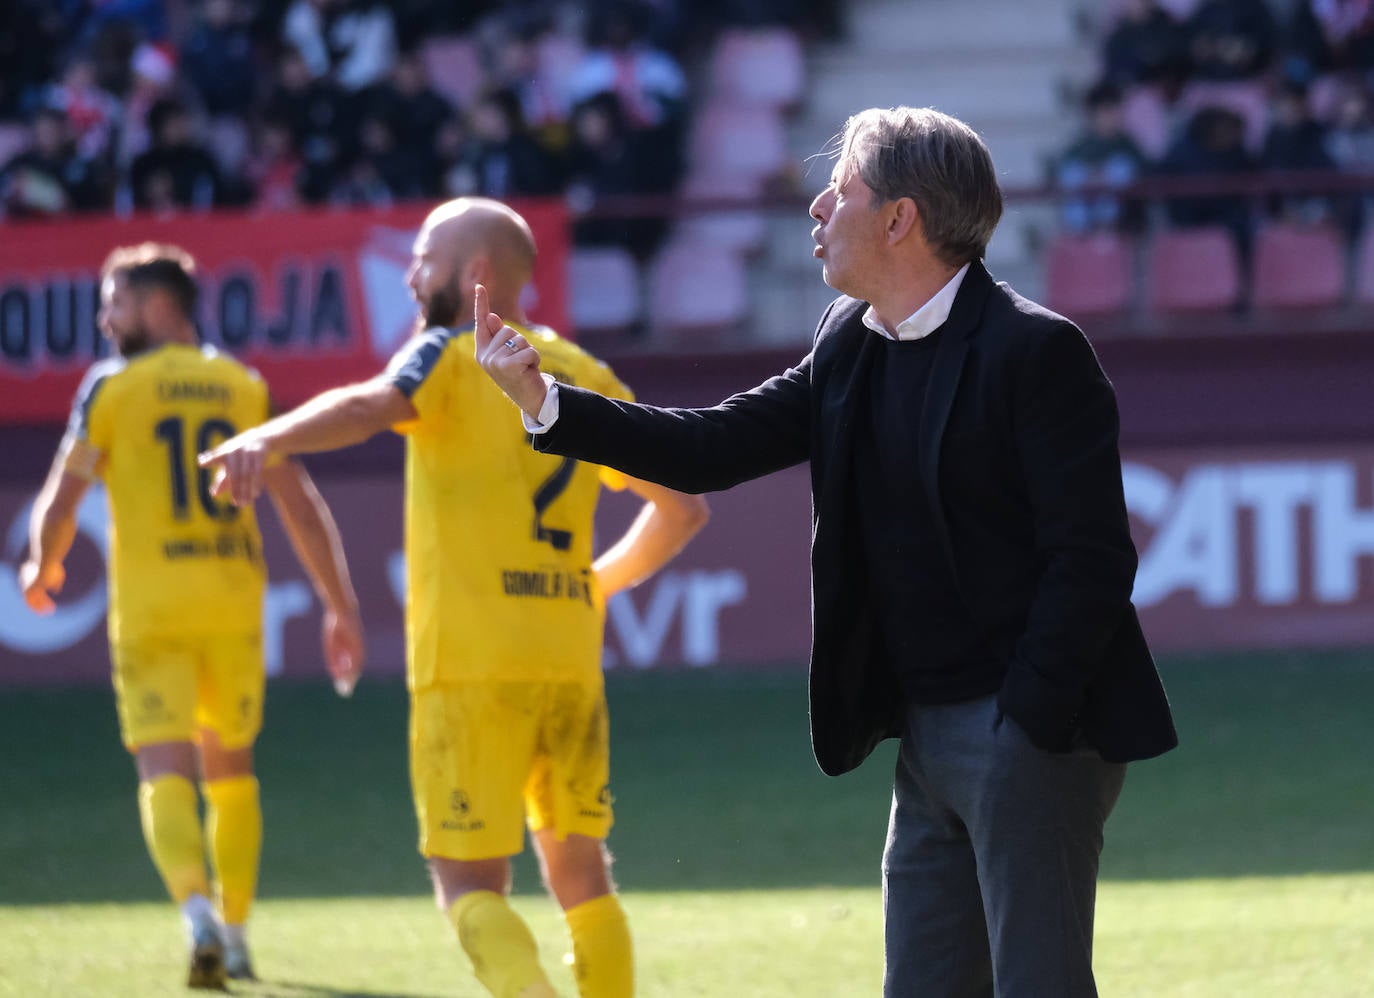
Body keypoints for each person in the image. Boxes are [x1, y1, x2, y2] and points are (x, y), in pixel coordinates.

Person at [476, 107, 1179, 997]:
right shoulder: (848, 340)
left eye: (840, 188)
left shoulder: (1037, 351)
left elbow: (1092, 559)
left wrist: (1026, 720)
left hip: (1028, 728)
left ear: (899, 219)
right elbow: (711, 446)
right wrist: (546, 402)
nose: (816, 207)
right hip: (924, 734)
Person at [198, 197, 709, 998]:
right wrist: (595, 586)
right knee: (582, 877)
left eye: (424, 258)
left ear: (474, 275)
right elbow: (683, 507)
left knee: (467, 883)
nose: (410, 273)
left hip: (469, 669)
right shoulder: (589, 375)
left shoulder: (449, 353)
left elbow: (370, 406)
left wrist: (266, 435)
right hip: (566, 664)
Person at [19, 243, 365, 989]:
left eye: (114, 302)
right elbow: (300, 503)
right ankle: (237, 936)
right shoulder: (241, 385)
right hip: (231, 600)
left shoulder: (111, 387)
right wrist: (340, 605)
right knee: (231, 773)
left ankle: (195, 914)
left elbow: (61, 498)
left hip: (152, 607)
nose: (105, 320)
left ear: (157, 304)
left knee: (162, 768)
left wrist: (42, 566)